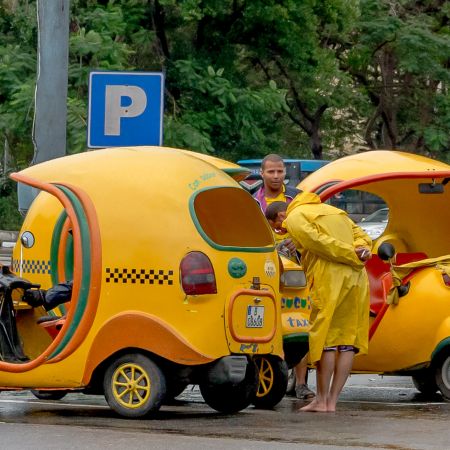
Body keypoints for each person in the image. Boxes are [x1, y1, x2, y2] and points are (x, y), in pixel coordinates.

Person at [283, 191, 371, 412]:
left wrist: (349, 253)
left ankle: (322, 400)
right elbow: (363, 238)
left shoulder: (296, 216)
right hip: (357, 278)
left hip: (328, 278)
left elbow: (317, 242)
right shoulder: (336, 212)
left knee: (326, 339)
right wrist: (358, 252)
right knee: (347, 340)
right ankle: (332, 400)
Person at [265, 201, 315, 400]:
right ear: (271, 222)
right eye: (281, 218)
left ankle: (301, 383)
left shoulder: (298, 235)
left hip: (297, 295)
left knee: (299, 334)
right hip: (274, 294)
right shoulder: (265, 236)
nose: (286, 221)